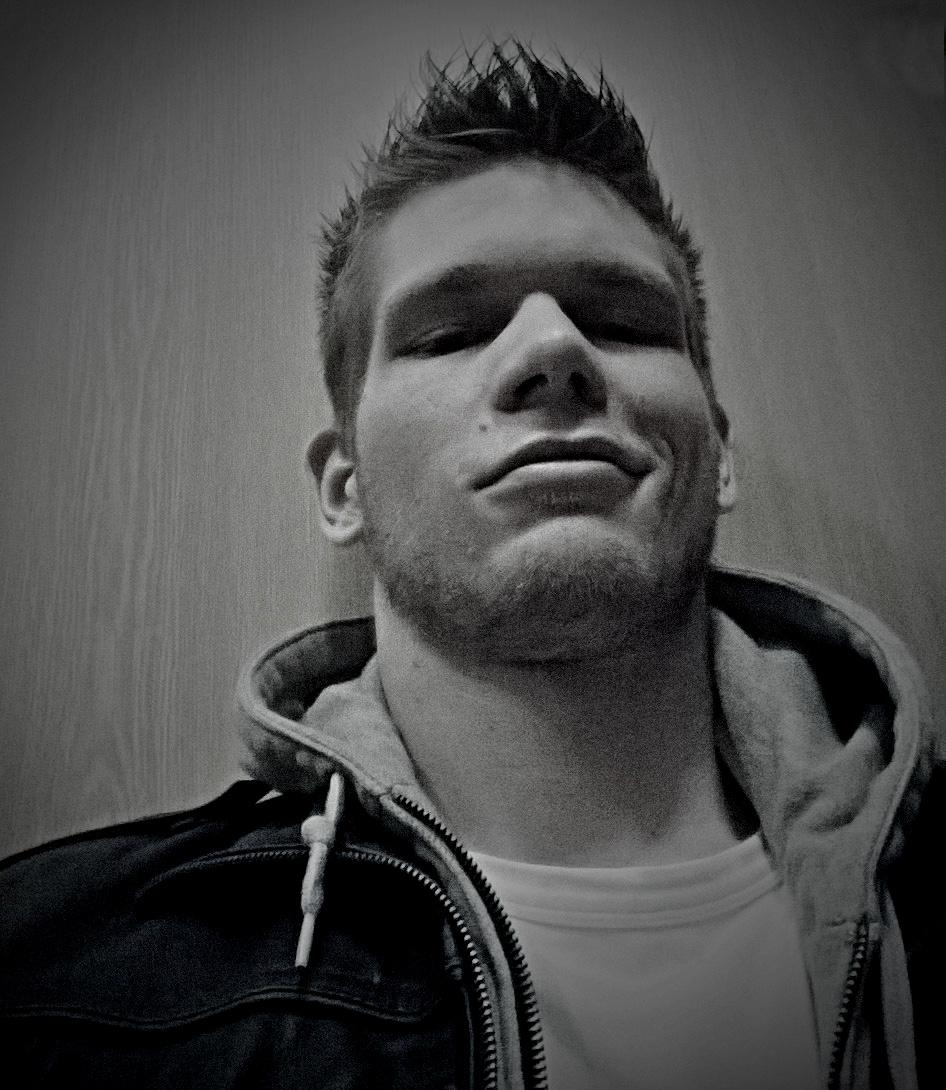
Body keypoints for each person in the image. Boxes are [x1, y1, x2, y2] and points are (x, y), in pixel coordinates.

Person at [1, 42, 940, 1090]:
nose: (553, 350)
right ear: (344, 488)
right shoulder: (48, 974)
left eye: (623, 321)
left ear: (715, 455)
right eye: (450, 332)